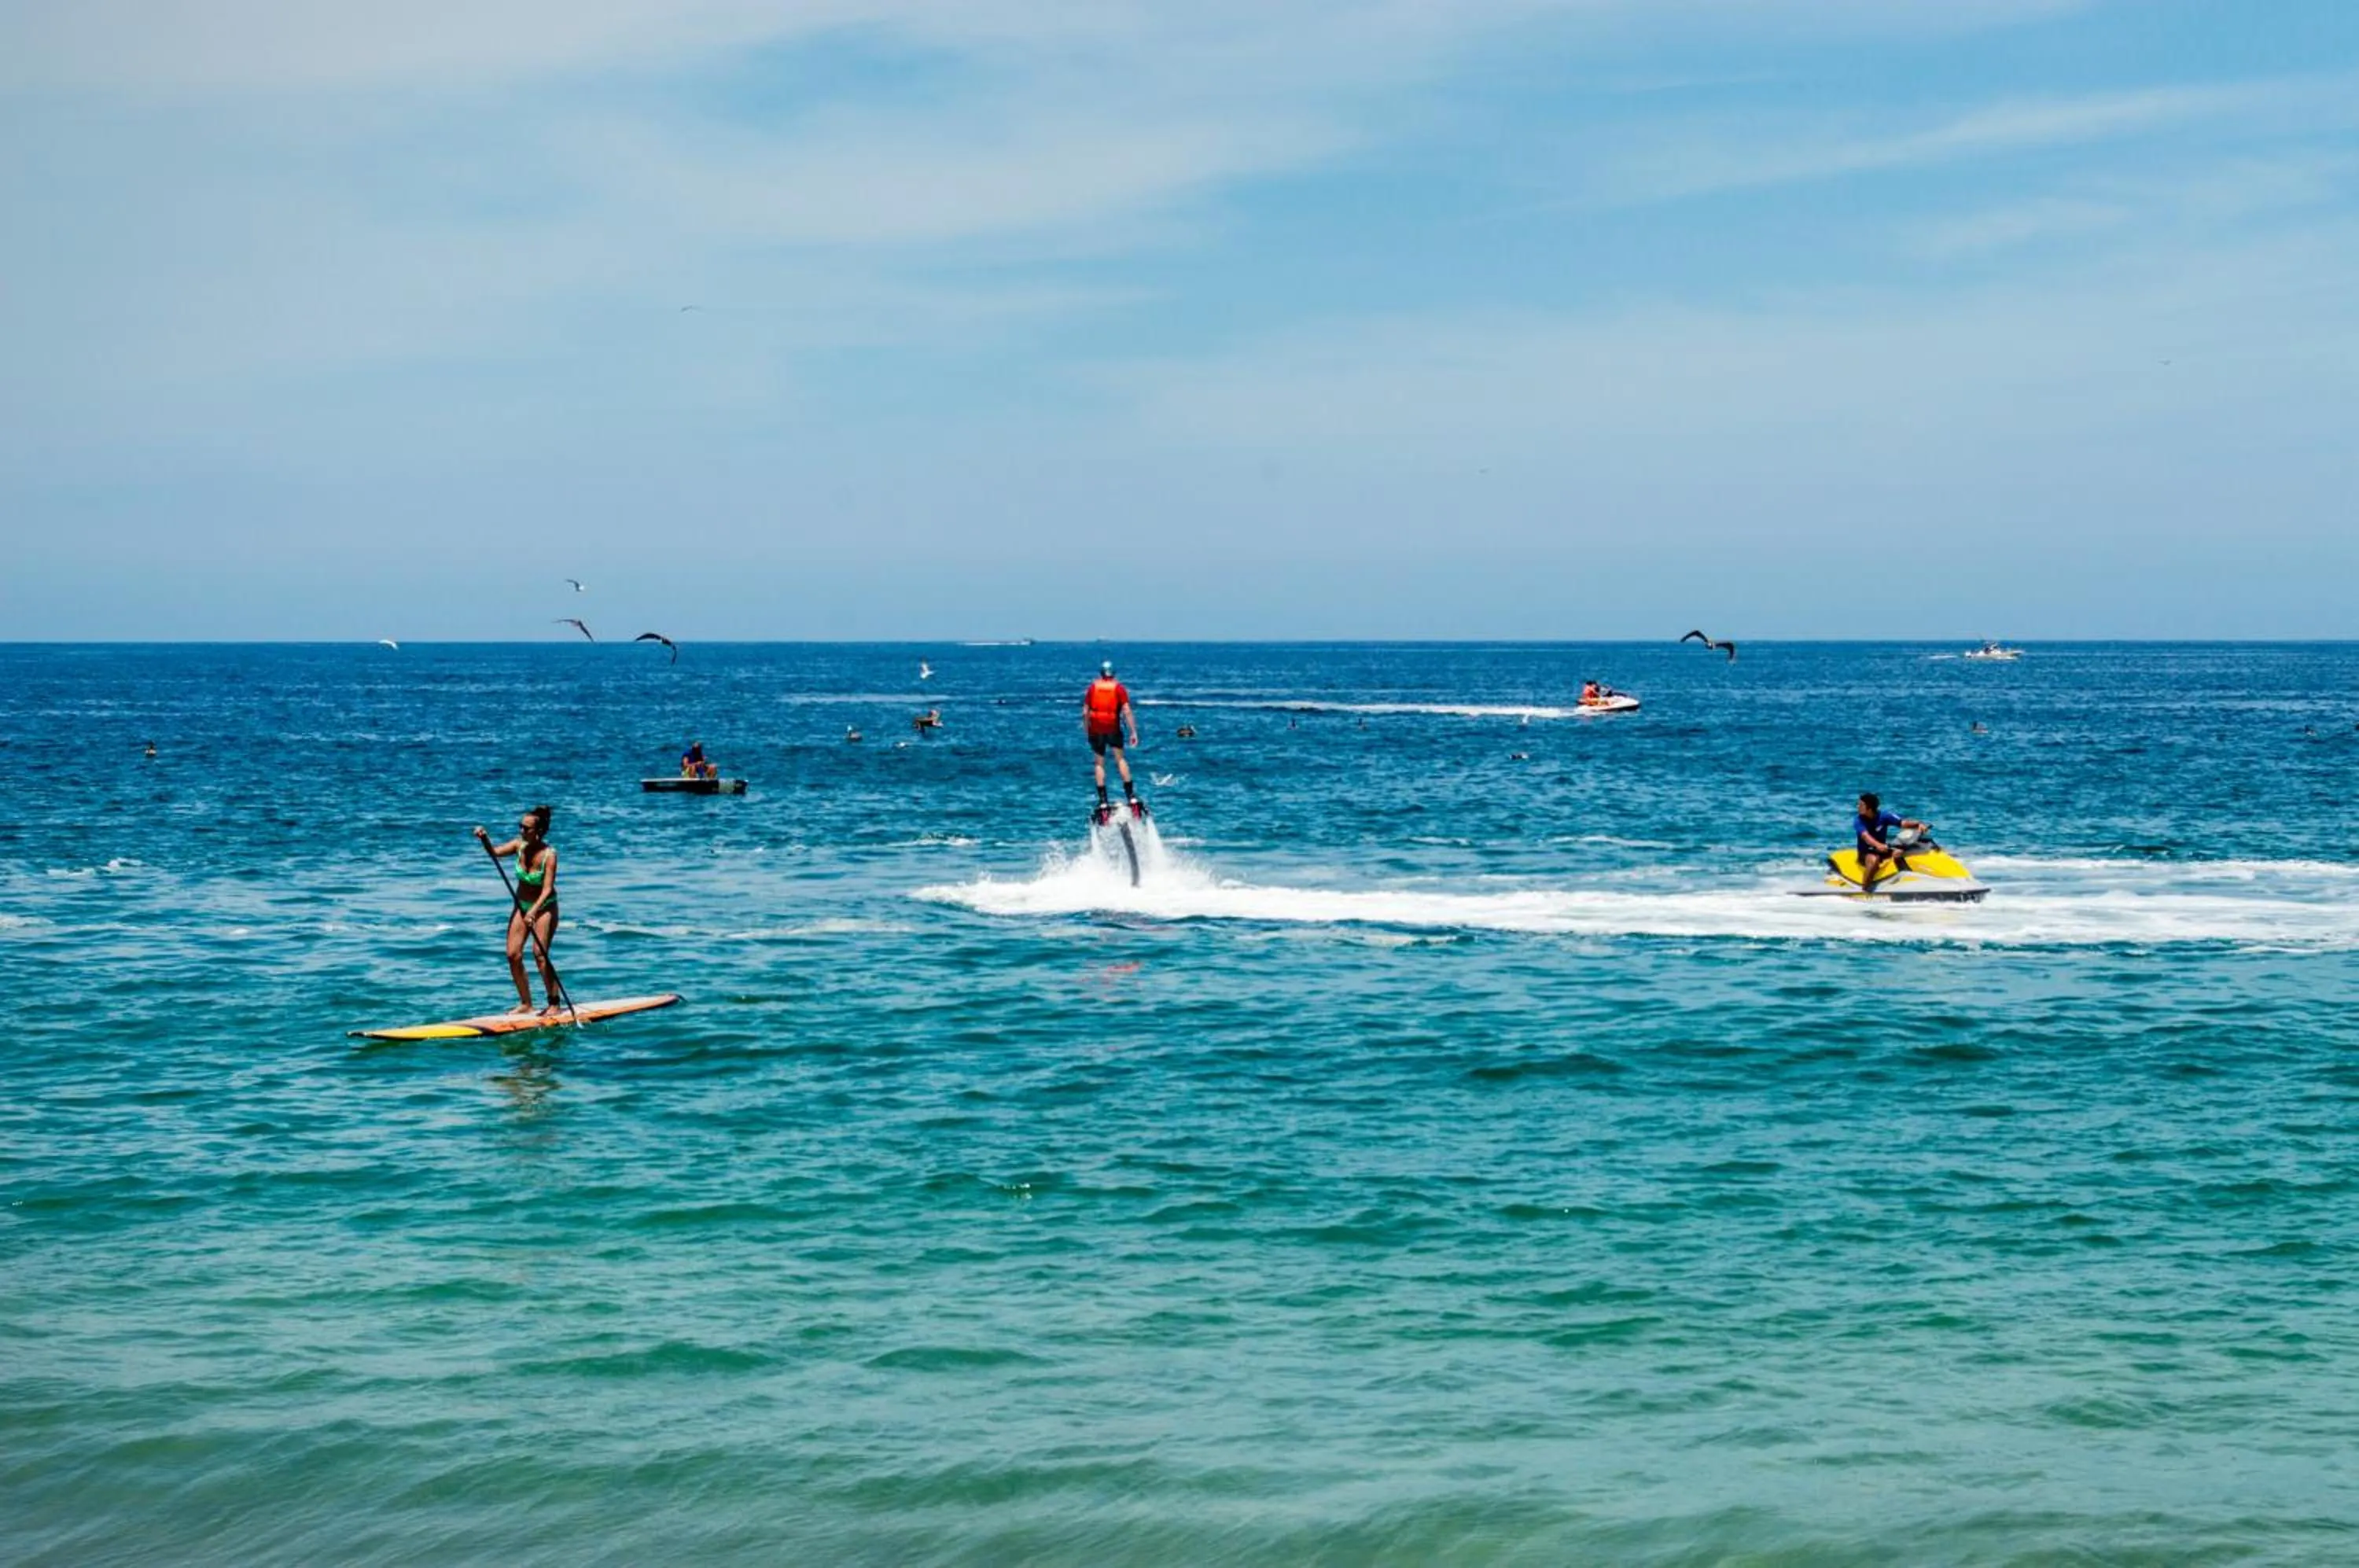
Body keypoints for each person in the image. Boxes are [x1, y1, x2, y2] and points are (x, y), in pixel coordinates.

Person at [473, 806, 561, 1014]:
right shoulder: (518, 846)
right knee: (513, 955)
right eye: (520, 826)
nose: (522, 831)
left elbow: (547, 889)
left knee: (540, 954)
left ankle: (554, 1003)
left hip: (544, 906)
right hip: (521, 905)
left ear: (539, 831)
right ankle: (526, 1003)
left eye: (526, 828)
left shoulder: (549, 855)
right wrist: (485, 839)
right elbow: (494, 853)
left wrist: (534, 911)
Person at [1084, 659, 1142, 817]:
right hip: (1113, 728)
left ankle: (1103, 801)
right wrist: (1133, 732)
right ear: (1113, 673)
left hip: (1096, 729)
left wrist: (1087, 729)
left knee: (1099, 763)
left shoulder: (1093, 687)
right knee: (1120, 759)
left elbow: (1085, 712)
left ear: (1101, 673)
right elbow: (1127, 711)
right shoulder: (1119, 688)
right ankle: (1131, 798)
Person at [1852, 792, 1930, 895]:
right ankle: (1864, 890)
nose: (1858, 806)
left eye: (1861, 805)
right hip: (1865, 853)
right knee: (1874, 860)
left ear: (1869, 808)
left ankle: (1908, 881)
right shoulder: (1858, 820)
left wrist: (1918, 824)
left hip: (1882, 850)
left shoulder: (1885, 816)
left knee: (1902, 852)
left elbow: (1903, 823)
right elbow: (1866, 837)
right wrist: (1878, 845)